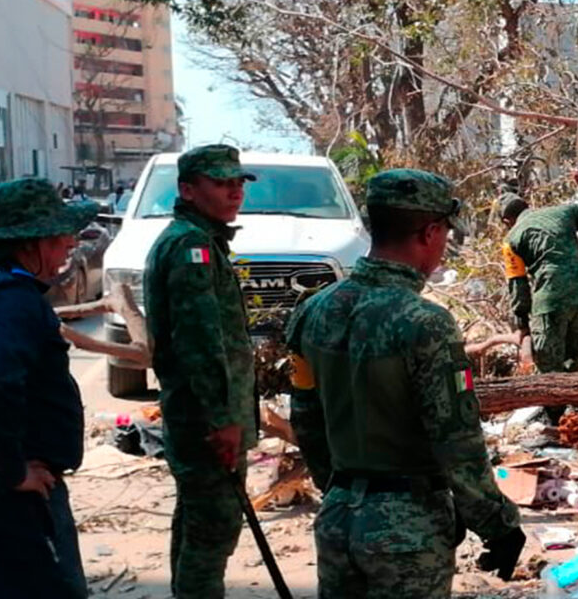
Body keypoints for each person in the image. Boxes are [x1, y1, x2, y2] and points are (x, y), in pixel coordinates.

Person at [285, 169, 523, 597]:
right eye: (445, 233)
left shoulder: (313, 311)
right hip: (408, 531)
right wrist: (497, 524)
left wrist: (340, 489)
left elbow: (305, 420)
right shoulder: (425, 323)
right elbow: (456, 438)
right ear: (430, 231)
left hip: (338, 518)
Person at [144, 144, 258, 598]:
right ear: (188, 190)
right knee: (212, 531)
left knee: (197, 525)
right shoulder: (191, 247)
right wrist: (222, 419)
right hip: (205, 423)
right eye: (221, 184)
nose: (233, 194)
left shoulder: (199, 240)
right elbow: (199, 342)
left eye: (237, 184)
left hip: (203, 418)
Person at [0, 178, 97, 598]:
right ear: (30, 244)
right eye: (60, 240)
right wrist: (9, 470)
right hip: (20, 497)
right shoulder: (13, 301)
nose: (69, 247)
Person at [499, 168, 578, 422]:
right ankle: (576, 416)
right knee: (572, 359)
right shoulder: (562, 212)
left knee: (549, 364)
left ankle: (554, 422)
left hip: (550, 298)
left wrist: (522, 325)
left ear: (506, 221)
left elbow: (518, 286)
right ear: (528, 206)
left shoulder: (511, 238)